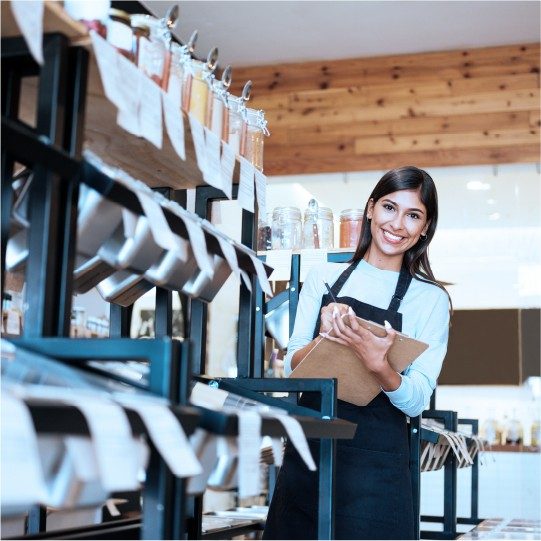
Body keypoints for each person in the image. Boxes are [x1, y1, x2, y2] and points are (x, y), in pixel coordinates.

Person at [263, 166, 451, 540]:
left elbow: (416, 401)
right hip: (310, 457)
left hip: (377, 469)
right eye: (389, 208)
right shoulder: (325, 278)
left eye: (413, 215)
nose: (397, 224)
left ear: (425, 228)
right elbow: (294, 364)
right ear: (370, 209)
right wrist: (326, 336)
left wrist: (379, 365)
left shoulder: (430, 300)